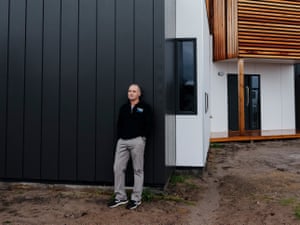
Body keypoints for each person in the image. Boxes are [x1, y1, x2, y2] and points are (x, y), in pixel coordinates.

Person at [108, 84, 152, 210]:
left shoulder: (145, 108)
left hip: (137, 141)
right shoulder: (124, 108)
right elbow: (119, 124)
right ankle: (120, 197)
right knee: (118, 168)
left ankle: (136, 198)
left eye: (134, 91)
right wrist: (120, 137)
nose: (131, 93)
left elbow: (149, 124)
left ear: (139, 94)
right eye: (129, 91)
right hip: (122, 141)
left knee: (138, 170)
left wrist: (143, 138)